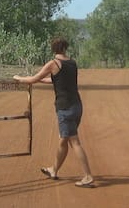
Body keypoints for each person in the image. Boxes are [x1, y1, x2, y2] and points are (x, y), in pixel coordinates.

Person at [13, 37, 94, 188]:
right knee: (64, 140)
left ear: (53, 49)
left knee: (74, 142)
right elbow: (58, 80)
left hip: (65, 108)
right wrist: (42, 81)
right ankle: (54, 170)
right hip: (77, 106)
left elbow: (32, 79)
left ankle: (88, 176)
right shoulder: (72, 63)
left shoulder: (53, 64)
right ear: (64, 48)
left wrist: (18, 78)